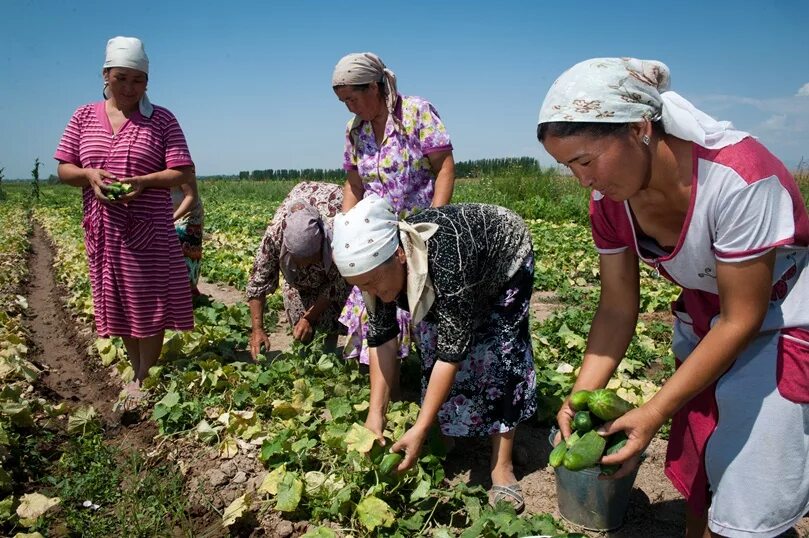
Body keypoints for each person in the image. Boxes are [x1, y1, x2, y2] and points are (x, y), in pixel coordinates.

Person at [537, 57, 809, 537]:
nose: (583, 180)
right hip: (707, 322)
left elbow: (741, 318)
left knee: (752, 484)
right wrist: (580, 394)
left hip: (778, 322)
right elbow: (617, 306)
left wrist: (653, 411)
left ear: (639, 128)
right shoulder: (610, 202)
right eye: (568, 166)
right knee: (705, 469)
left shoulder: (738, 178)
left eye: (586, 161)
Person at [331, 194, 538, 512]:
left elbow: (452, 354)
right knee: (431, 342)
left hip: (504, 258)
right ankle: (450, 433)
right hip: (453, 272)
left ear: (399, 255)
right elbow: (383, 339)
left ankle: (502, 463)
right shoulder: (377, 274)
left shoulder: (447, 260)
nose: (371, 292)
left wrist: (420, 426)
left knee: (500, 354)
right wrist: (375, 415)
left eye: (372, 282)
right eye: (362, 287)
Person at [54, 36, 195, 409]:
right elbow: (64, 169)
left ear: (147, 81)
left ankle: (143, 376)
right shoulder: (83, 117)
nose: (130, 88)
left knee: (149, 304)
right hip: (104, 230)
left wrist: (143, 182)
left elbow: (182, 171)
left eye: (138, 80)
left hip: (149, 230)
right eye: (121, 79)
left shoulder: (161, 119)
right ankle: (138, 370)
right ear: (105, 75)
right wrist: (89, 176)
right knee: (119, 303)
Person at [332, 52, 456, 365]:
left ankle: (431, 377)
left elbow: (444, 168)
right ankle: (388, 380)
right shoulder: (354, 130)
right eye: (343, 101)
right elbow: (354, 185)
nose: (350, 107)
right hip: (376, 237)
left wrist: (435, 222)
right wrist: (345, 228)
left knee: (424, 306)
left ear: (374, 87)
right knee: (378, 305)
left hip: (418, 231)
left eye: (352, 98)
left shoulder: (416, 112)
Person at [246, 181, 349, 359]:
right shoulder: (274, 236)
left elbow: (338, 283)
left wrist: (310, 317)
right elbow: (258, 282)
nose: (306, 267)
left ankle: (329, 349)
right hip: (299, 218)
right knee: (296, 304)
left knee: (333, 307)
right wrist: (257, 329)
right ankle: (305, 353)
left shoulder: (337, 232)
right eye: (299, 262)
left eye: (312, 260)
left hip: (331, 210)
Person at [171, 175, 204, 297]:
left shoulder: (180, 166)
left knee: (187, 254)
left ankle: (190, 292)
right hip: (170, 212)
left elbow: (191, 197)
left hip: (188, 214)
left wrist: (170, 219)